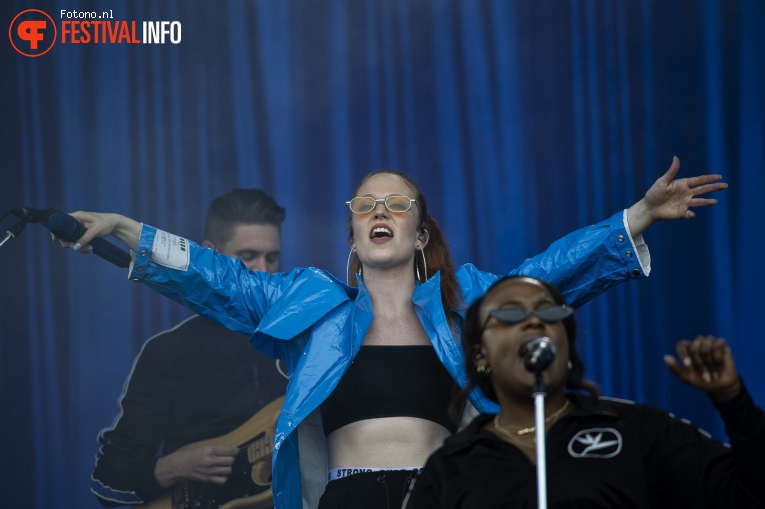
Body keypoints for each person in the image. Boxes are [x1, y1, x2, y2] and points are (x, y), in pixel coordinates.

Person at [64, 158, 725, 509]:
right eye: (365, 205)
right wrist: (128, 228)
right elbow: (212, 275)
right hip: (349, 494)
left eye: (396, 204)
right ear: (354, 233)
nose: (379, 212)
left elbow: (546, 274)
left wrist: (636, 216)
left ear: (419, 230)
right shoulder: (310, 306)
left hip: (445, 491)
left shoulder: (464, 300)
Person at [402, 275, 765, 508]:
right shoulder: (451, 466)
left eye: (550, 313)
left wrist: (732, 399)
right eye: (510, 315)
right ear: (481, 355)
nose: (534, 320)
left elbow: (749, 496)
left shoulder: (637, 431)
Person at [90, 189, 290, 507]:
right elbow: (108, 476)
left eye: (272, 257)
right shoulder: (167, 352)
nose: (263, 271)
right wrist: (170, 466)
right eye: (248, 257)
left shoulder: (298, 336)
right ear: (209, 253)